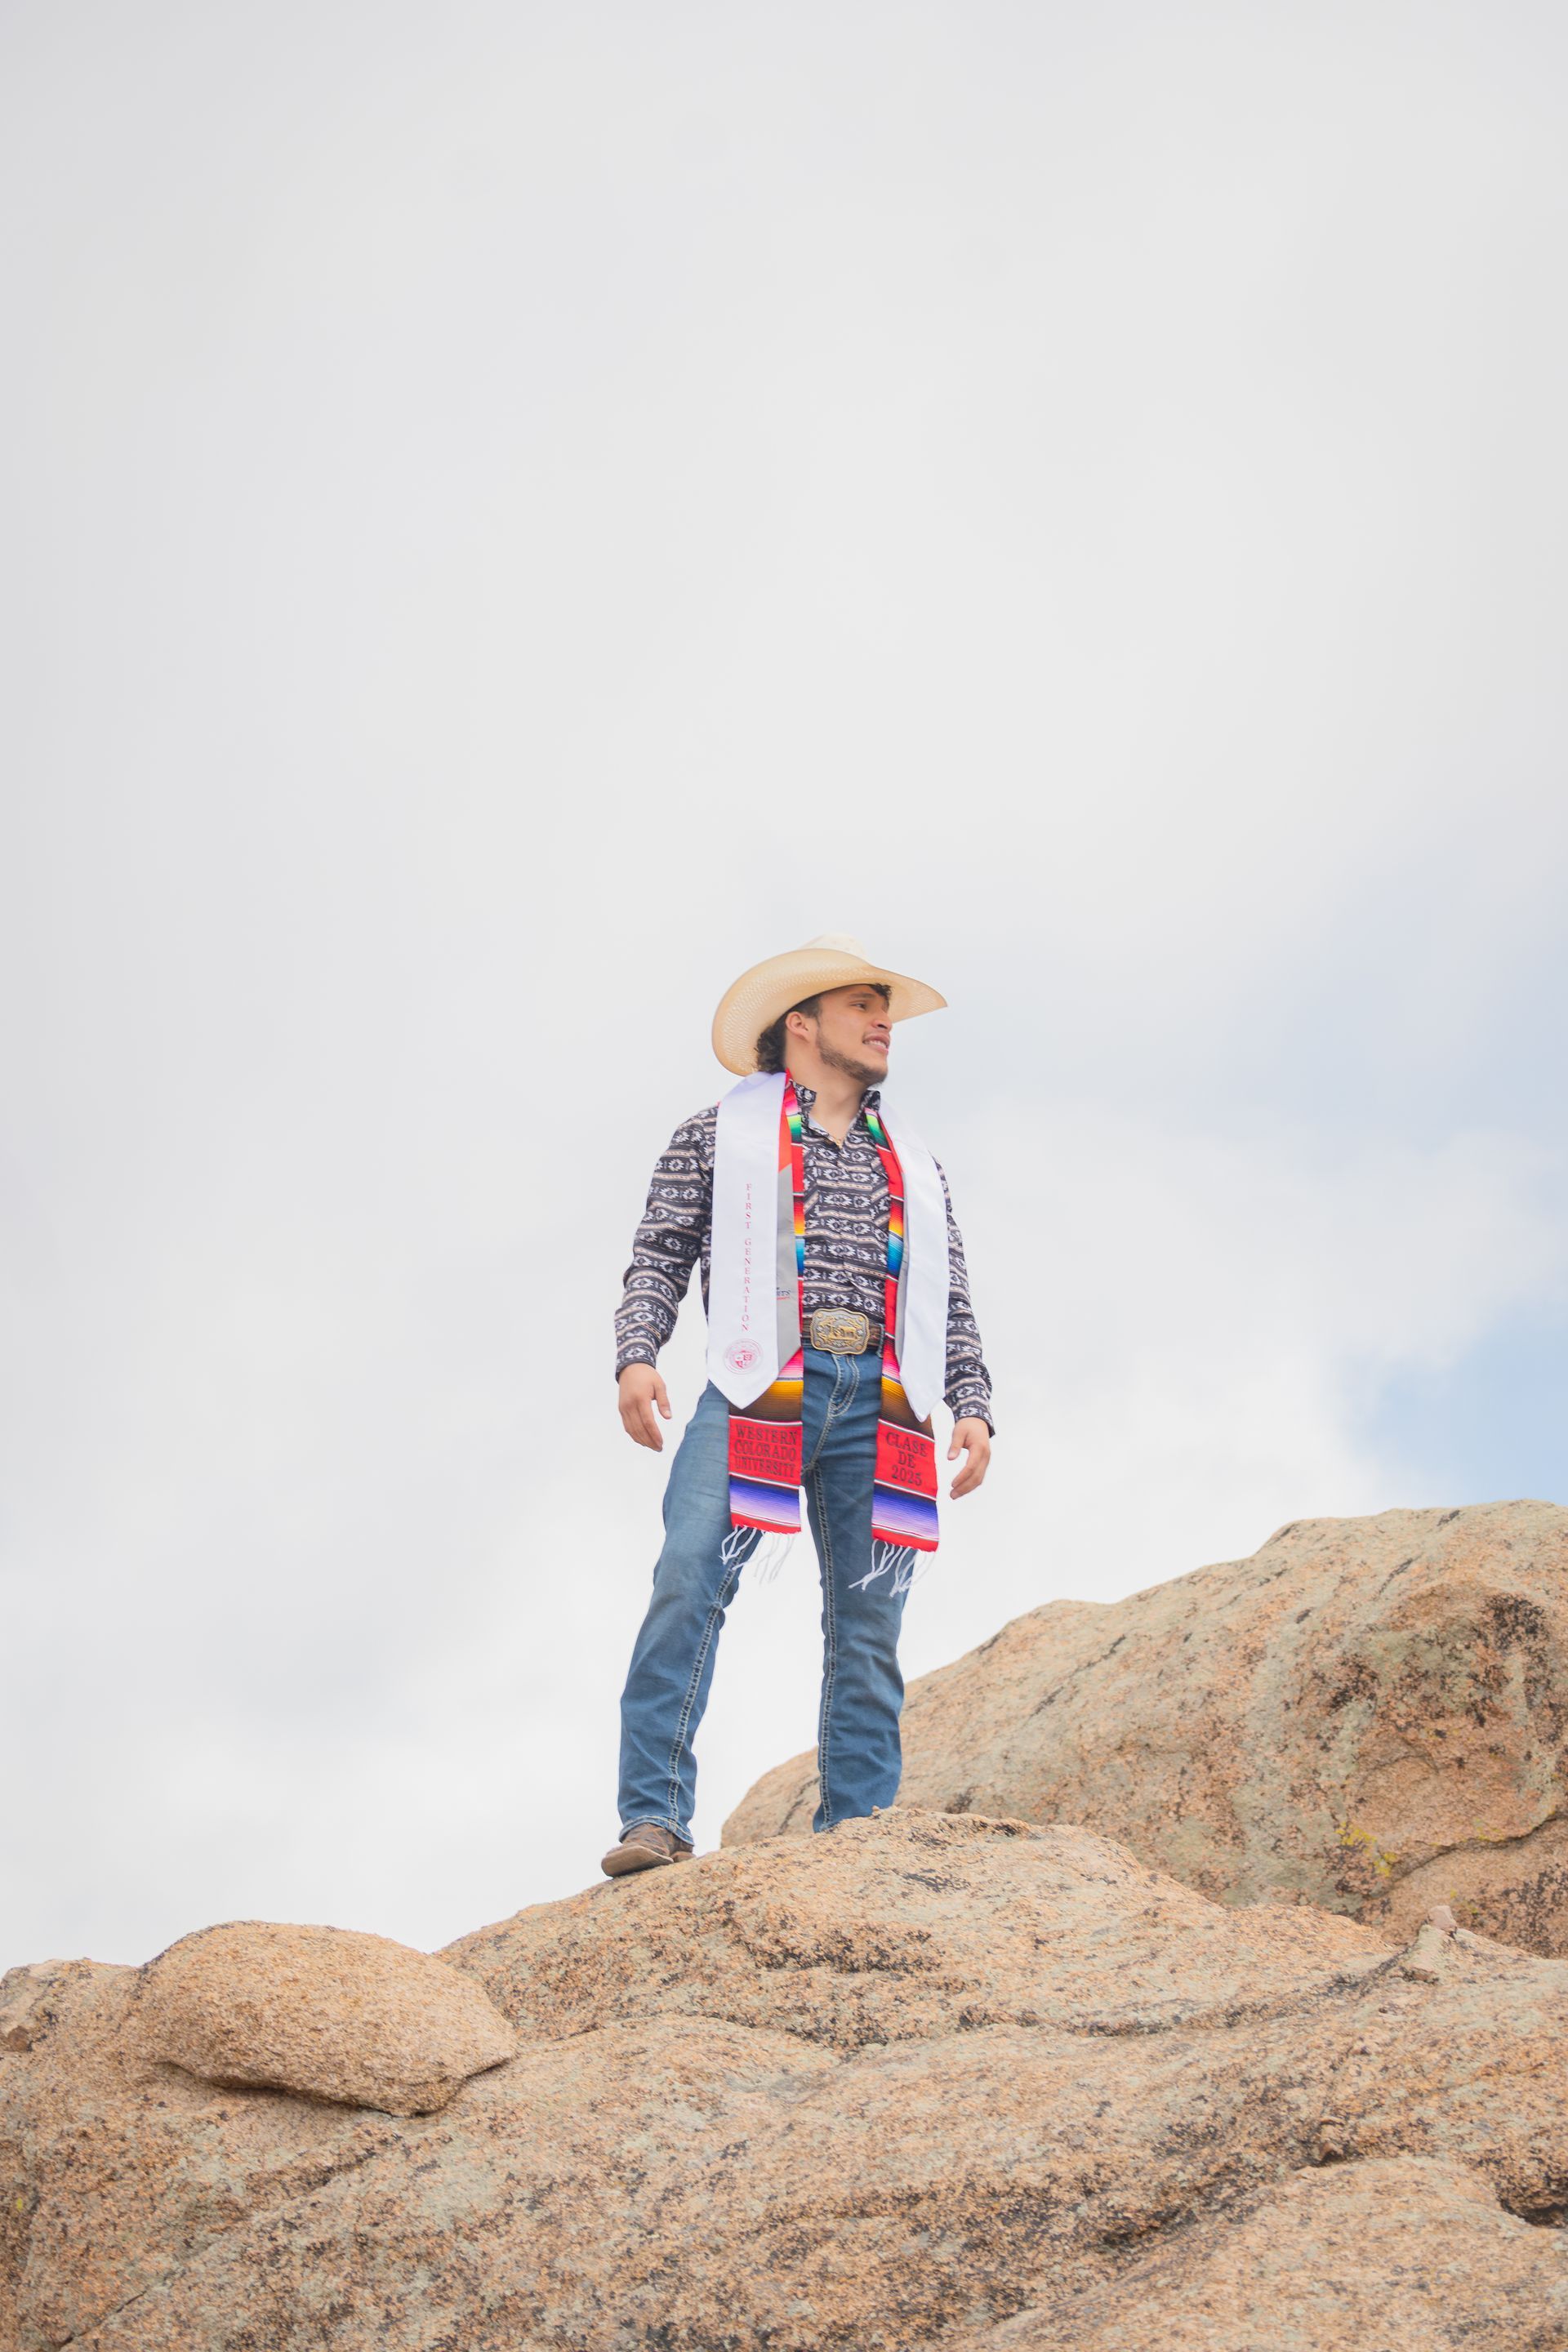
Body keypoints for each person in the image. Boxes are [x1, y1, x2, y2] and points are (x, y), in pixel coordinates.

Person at [604, 933, 993, 1876]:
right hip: (757, 1385)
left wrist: (974, 1401)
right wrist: (636, 1355)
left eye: (884, 1008)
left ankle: (856, 1835)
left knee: (870, 1622)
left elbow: (952, 1293)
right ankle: (653, 1818)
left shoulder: (915, 1162)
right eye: (863, 1005)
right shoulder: (714, 1134)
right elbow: (659, 1254)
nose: (883, 1021)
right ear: (802, 1024)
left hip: (886, 1402)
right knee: (689, 1576)